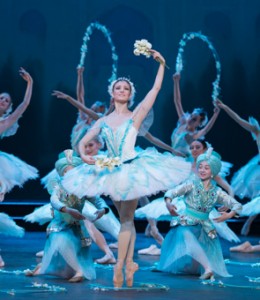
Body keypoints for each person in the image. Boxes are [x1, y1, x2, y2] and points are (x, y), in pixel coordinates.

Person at [62, 50, 191, 288]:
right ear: (112, 93)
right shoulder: (102, 121)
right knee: (125, 220)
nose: (122, 91)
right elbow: (84, 139)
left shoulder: (136, 116)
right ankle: (129, 262)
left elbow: (155, 90)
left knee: (126, 220)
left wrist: (161, 63)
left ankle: (120, 265)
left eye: (126, 89)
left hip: (132, 169)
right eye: (118, 88)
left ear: (130, 95)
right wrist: (83, 154)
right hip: (110, 171)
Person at [158, 148, 242, 279]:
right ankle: (208, 269)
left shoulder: (217, 191)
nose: (202, 170)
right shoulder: (191, 184)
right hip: (187, 222)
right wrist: (168, 203)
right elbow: (171, 193)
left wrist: (230, 214)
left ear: (213, 172)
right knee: (185, 234)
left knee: (198, 244)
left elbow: (237, 205)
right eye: (201, 167)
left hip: (204, 226)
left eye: (206, 168)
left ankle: (195, 267)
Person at [25, 150, 96, 283]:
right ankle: (79, 270)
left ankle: (44, 268)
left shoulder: (83, 187)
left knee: (66, 271)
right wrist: (67, 209)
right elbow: (54, 200)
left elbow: (97, 200)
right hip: (59, 225)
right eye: (66, 172)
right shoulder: (59, 187)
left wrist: (102, 210)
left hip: (76, 227)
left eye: (72, 171)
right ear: (62, 173)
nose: (69, 174)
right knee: (61, 241)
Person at [0, 68, 38, 266]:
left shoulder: (6, 122)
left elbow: (25, 104)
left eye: (6, 101)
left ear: (8, 107)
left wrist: (30, 83)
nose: (3, 102)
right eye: (1, 98)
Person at [215, 99, 260, 236]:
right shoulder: (257, 131)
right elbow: (239, 120)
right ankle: (249, 221)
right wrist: (226, 107)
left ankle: (249, 222)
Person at [171, 73, 220, 158]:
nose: (190, 119)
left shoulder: (194, 135)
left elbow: (206, 129)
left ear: (199, 124)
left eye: (194, 119)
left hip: (181, 163)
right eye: (191, 116)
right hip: (171, 158)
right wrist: (176, 82)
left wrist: (215, 114)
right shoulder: (183, 122)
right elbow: (177, 101)